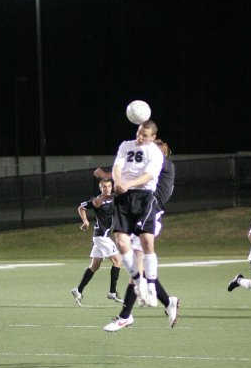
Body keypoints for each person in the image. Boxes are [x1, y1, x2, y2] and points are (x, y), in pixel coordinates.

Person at [94, 139, 179, 327]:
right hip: (140, 214)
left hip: (149, 216)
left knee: (137, 270)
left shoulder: (161, 162)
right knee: (140, 271)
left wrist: (107, 175)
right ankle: (168, 302)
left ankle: (125, 316)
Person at [101, 120, 164, 332]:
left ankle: (152, 285)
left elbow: (149, 175)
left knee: (146, 242)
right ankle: (139, 281)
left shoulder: (155, 152)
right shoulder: (126, 145)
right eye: (139, 133)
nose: (140, 138)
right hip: (123, 198)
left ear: (153, 137)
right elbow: (117, 166)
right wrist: (119, 182)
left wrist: (129, 184)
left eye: (145, 135)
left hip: (143, 197)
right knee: (121, 242)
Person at [71, 178, 123, 306]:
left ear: (112, 187)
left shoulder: (113, 198)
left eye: (109, 186)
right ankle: (112, 292)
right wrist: (86, 221)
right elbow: (81, 208)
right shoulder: (97, 201)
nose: (107, 188)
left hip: (100, 237)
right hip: (101, 237)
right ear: (101, 188)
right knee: (117, 262)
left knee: (94, 266)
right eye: (104, 187)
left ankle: (78, 290)